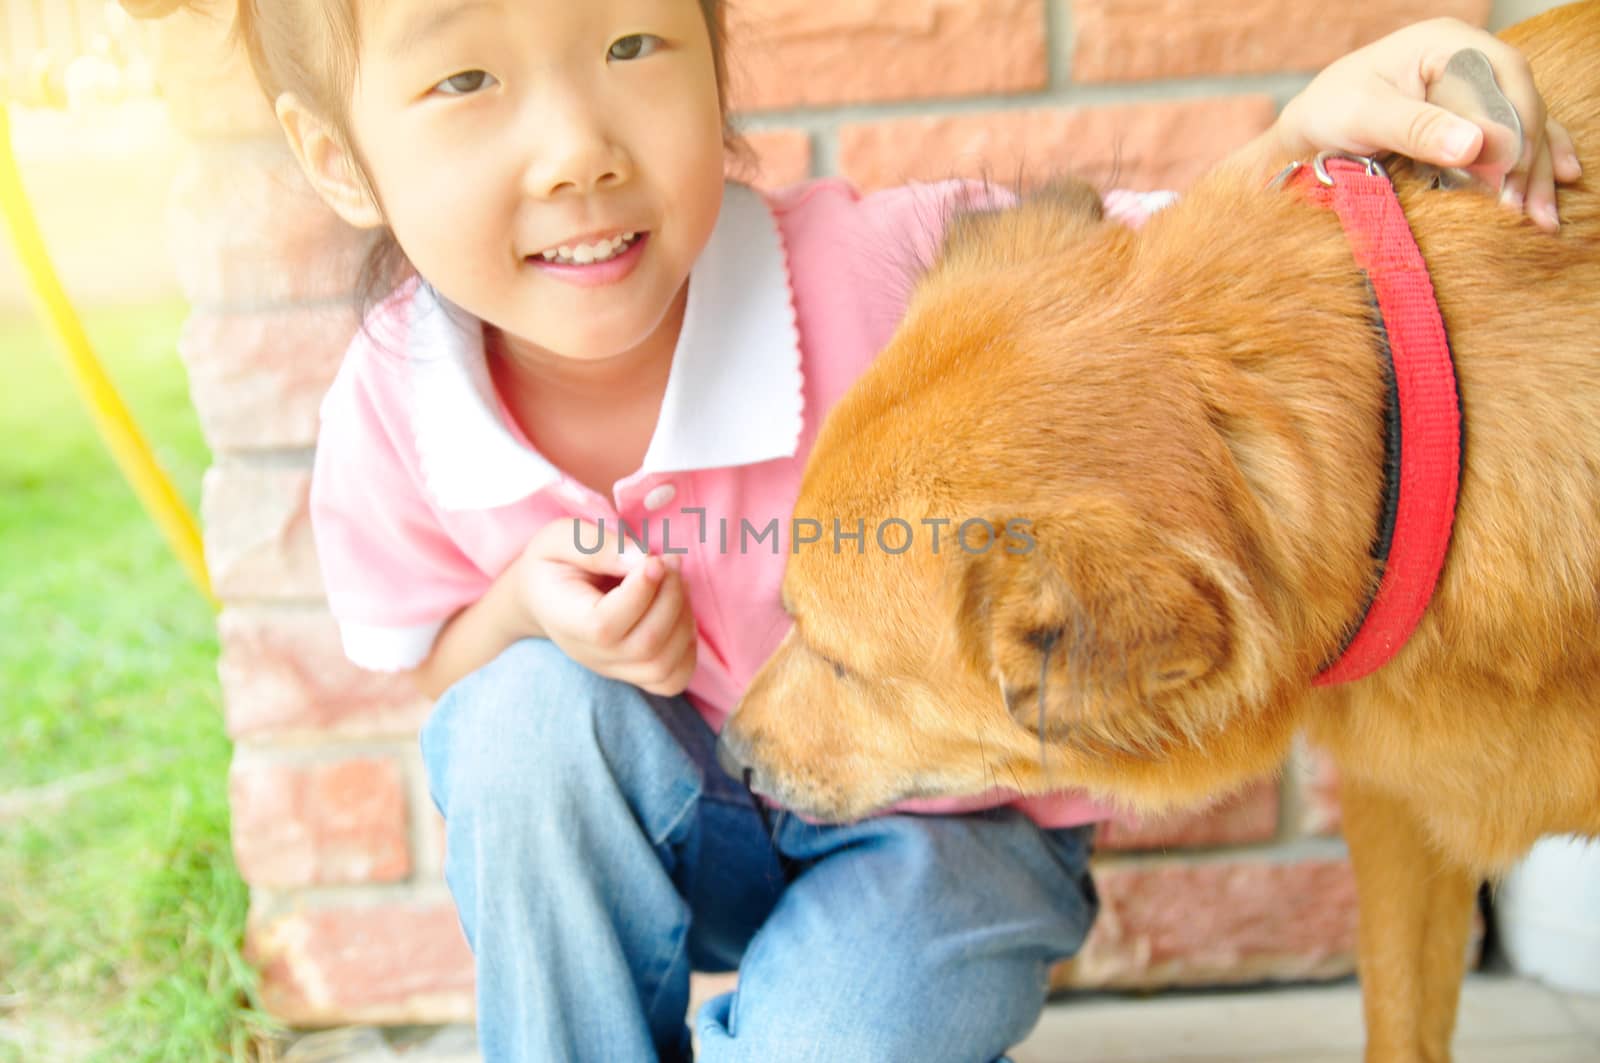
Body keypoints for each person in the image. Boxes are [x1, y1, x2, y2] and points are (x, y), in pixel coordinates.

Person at [136, 1, 1579, 1059]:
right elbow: (430, 663)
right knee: (520, 723)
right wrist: (518, 604)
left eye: (632, 47)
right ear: (339, 161)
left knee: (869, 1020)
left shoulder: (906, 265)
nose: (576, 149)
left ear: (719, 67)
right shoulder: (396, 400)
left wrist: (1304, 129)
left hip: (943, 853)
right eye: (464, 78)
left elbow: (1164, 290)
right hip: (674, 825)